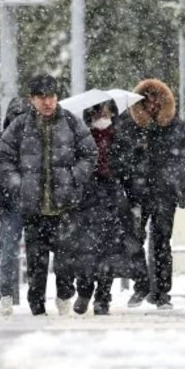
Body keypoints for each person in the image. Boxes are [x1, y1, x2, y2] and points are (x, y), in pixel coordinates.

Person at [0, 75, 98, 316]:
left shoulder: (71, 122)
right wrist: (19, 184)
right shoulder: (20, 126)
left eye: (51, 96)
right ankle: (37, 305)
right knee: (36, 263)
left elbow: (90, 154)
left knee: (66, 261)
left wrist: (73, 176)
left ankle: (64, 298)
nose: (48, 102)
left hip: (65, 206)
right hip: (34, 207)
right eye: (42, 98)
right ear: (31, 99)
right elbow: (2, 157)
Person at [111, 79, 185, 310]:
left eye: (155, 100)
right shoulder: (127, 126)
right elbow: (116, 161)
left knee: (162, 242)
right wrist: (135, 156)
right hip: (135, 193)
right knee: (133, 240)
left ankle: (161, 293)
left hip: (165, 193)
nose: (151, 105)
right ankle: (141, 284)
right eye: (146, 101)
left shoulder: (178, 127)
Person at [70, 101, 146, 316]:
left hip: (113, 199)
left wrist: (134, 200)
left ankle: (103, 297)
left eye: (107, 114)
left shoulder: (120, 138)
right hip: (87, 200)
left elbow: (129, 171)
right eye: (99, 114)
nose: (104, 119)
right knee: (85, 249)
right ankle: (84, 291)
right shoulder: (80, 138)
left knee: (110, 251)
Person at [0, 97, 31, 316]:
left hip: (20, 200)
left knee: (13, 251)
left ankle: (9, 296)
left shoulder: (4, 139)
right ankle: (9, 296)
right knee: (14, 252)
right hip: (14, 201)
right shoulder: (4, 140)